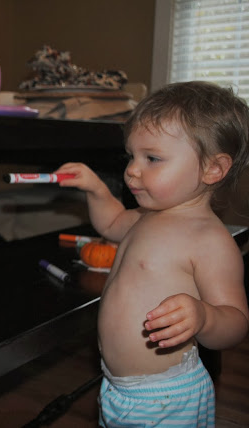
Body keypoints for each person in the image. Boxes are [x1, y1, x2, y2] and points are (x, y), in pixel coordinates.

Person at [54, 81, 249, 427]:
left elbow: (235, 322)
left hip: (166, 398)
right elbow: (111, 222)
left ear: (213, 169)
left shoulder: (209, 240)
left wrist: (204, 316)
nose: (132, 169)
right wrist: (96, 189)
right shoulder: (145, 216)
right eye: (132, 155)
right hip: (117, 389)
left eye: (152, 158)